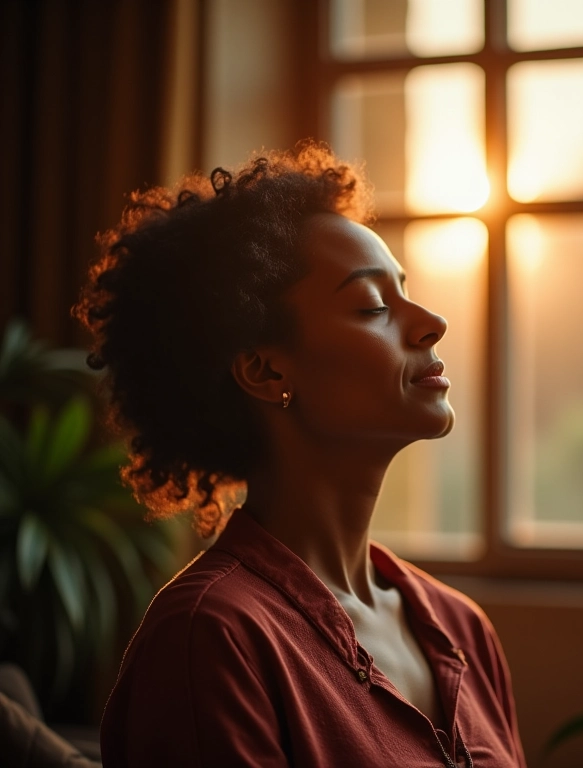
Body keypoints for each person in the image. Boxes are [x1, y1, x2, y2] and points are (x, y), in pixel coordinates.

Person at [75, 141, 526, 768]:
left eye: (406, 291)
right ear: (263, 370)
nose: (430, 322)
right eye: (373, 306)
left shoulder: (461, 628)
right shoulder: (212, 637)